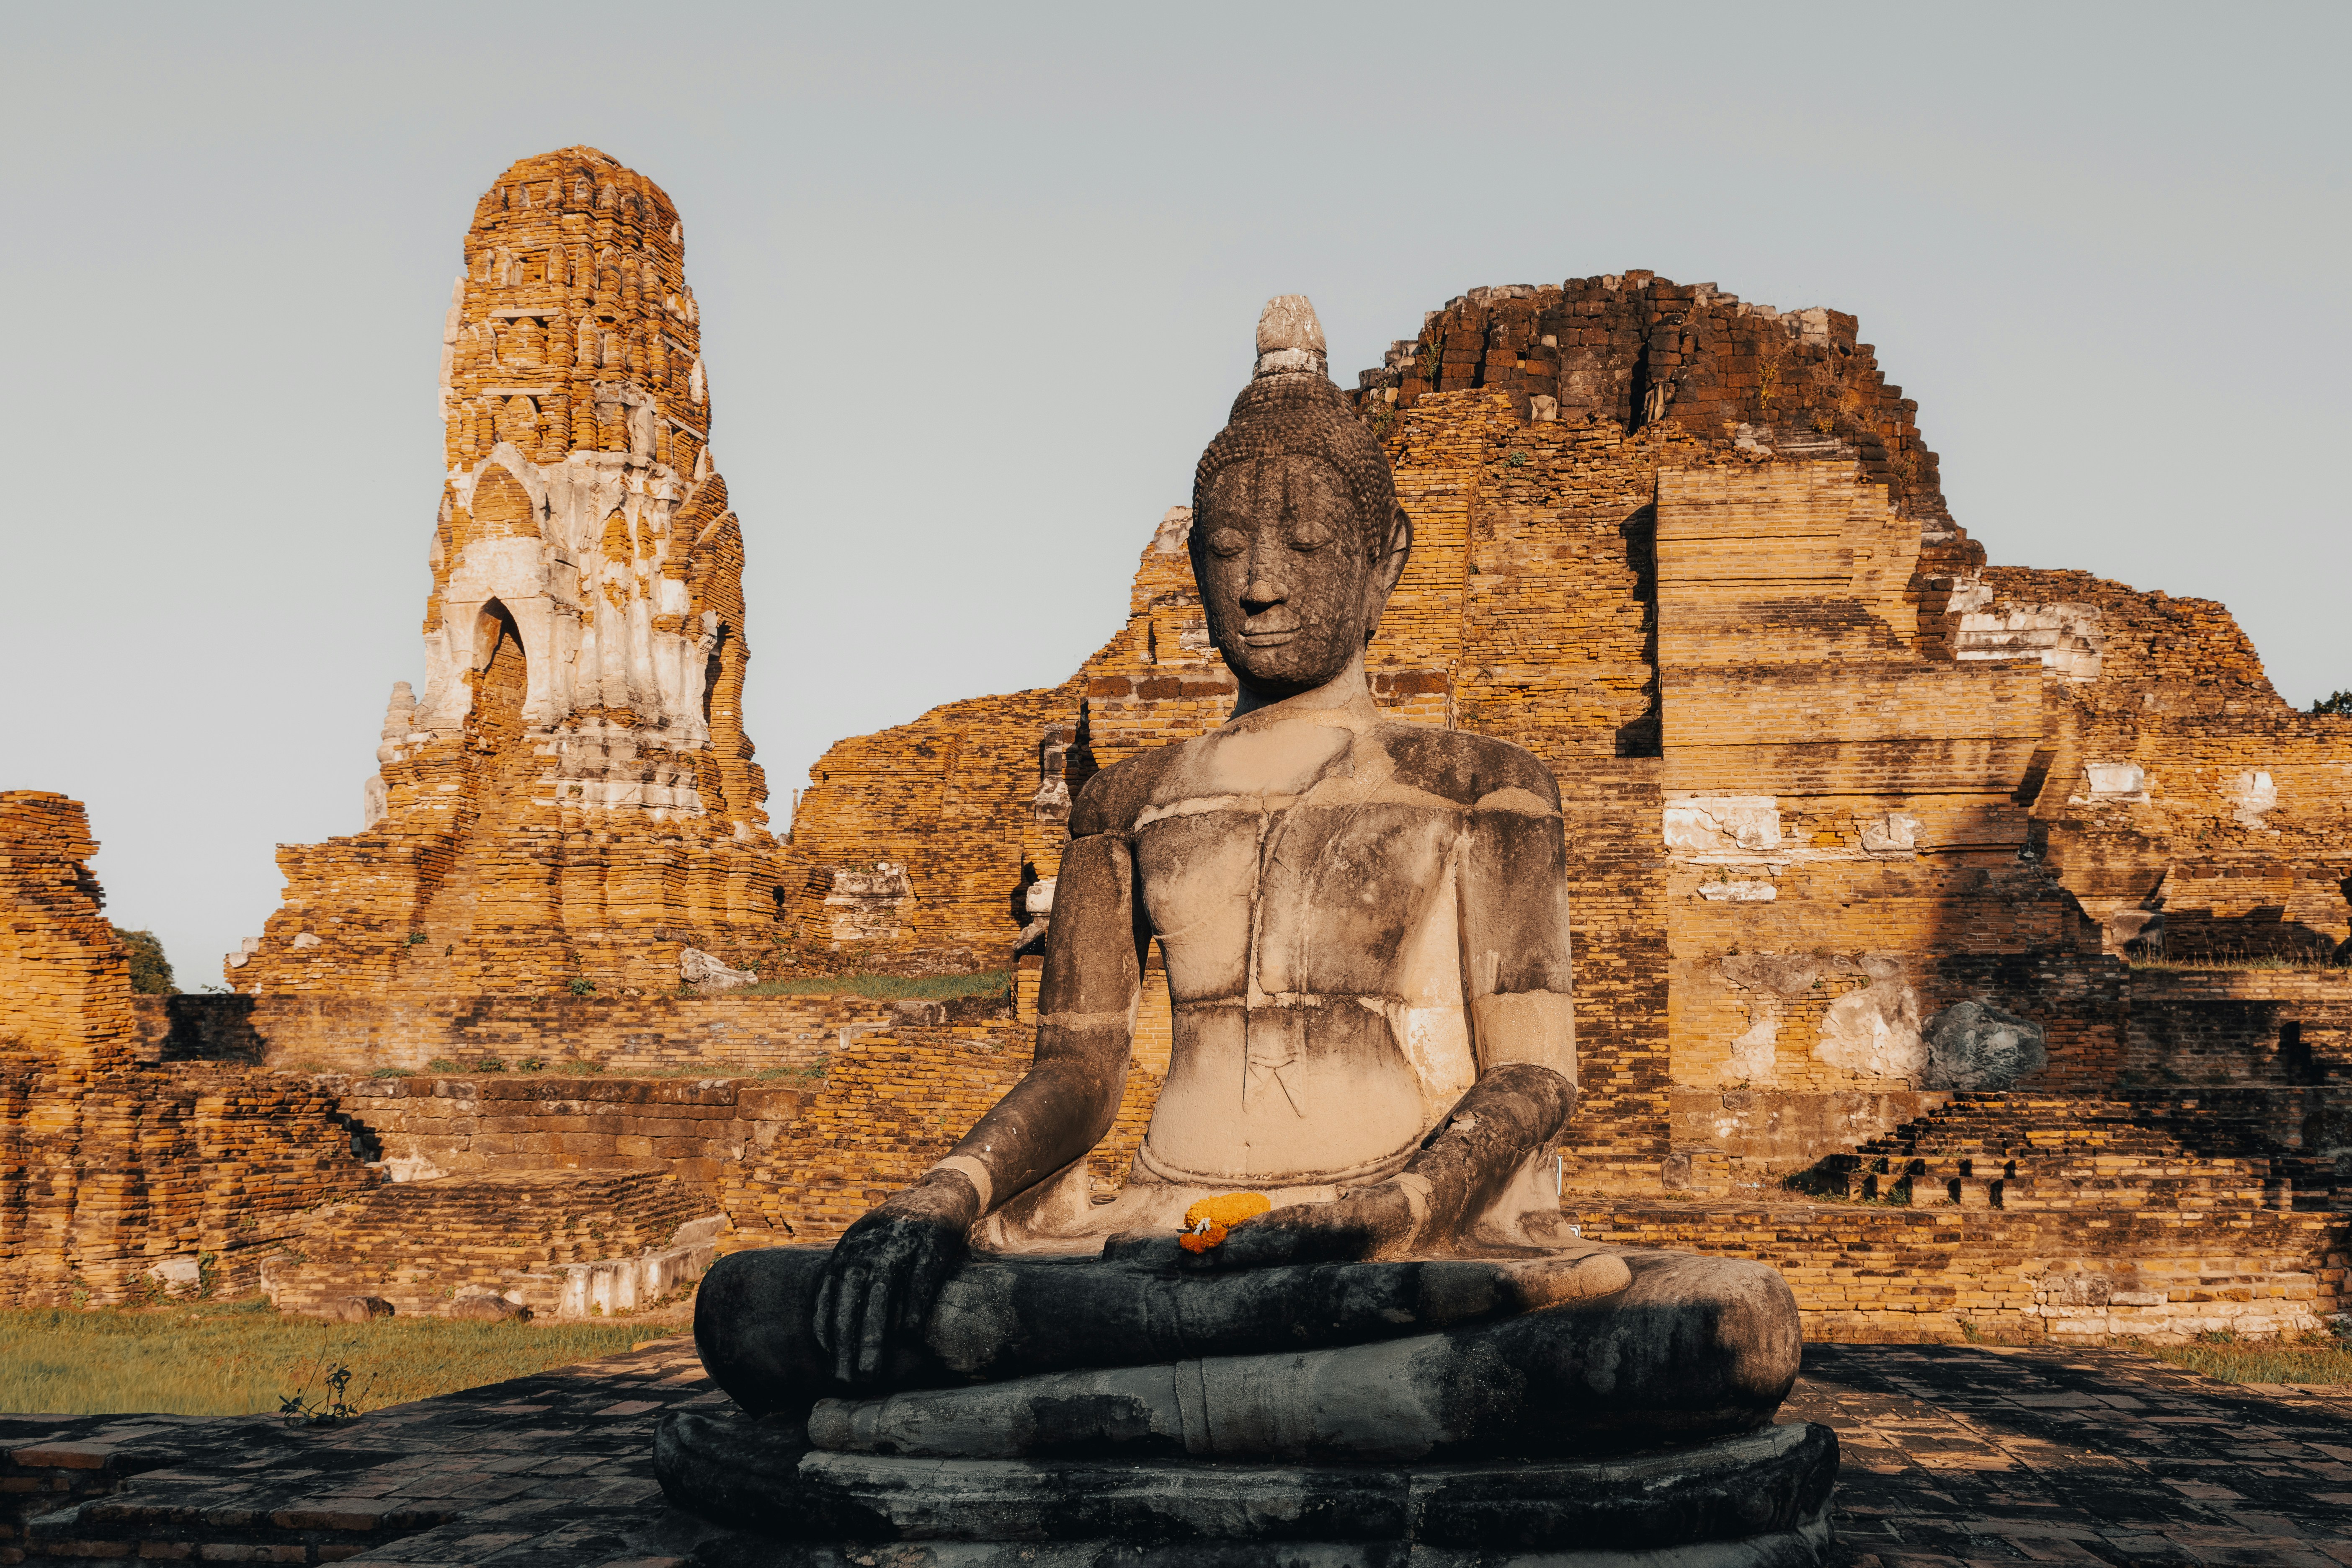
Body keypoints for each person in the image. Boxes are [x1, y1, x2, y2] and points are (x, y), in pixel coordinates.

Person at [691, 297, 1799, 1462]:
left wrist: (1404, 1208)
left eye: (1307, 545)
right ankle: (1311, 1404)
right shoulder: (1128, 801)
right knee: (757, 1308)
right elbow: (1078, 1070)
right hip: (1157, 1246)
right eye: (1225, 550)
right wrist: (943, 1196)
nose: (1260, 584)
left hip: (1399, 1240)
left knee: (1728, 1324)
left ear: (1386, 558)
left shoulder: (1482, 785)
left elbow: (1535, 1072)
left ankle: (1058, 1418)